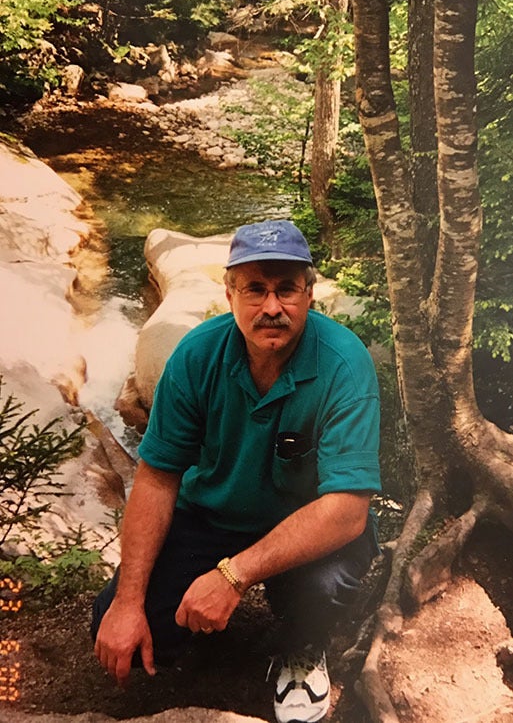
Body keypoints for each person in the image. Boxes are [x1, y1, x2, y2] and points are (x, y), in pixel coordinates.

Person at [91, 219, 381, 723]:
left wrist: (233, 576)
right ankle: (200, 629)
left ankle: (301, 648)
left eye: (287, 288)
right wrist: (129, 602)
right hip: (211, 517)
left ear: (309, 293)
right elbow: (158, 476)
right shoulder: (197, 355)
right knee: (122, 621)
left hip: (306, 523)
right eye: (255, 289)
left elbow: (348, 511)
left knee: (323, 586)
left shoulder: (344, 364)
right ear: (230, 294)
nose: (272, 307)